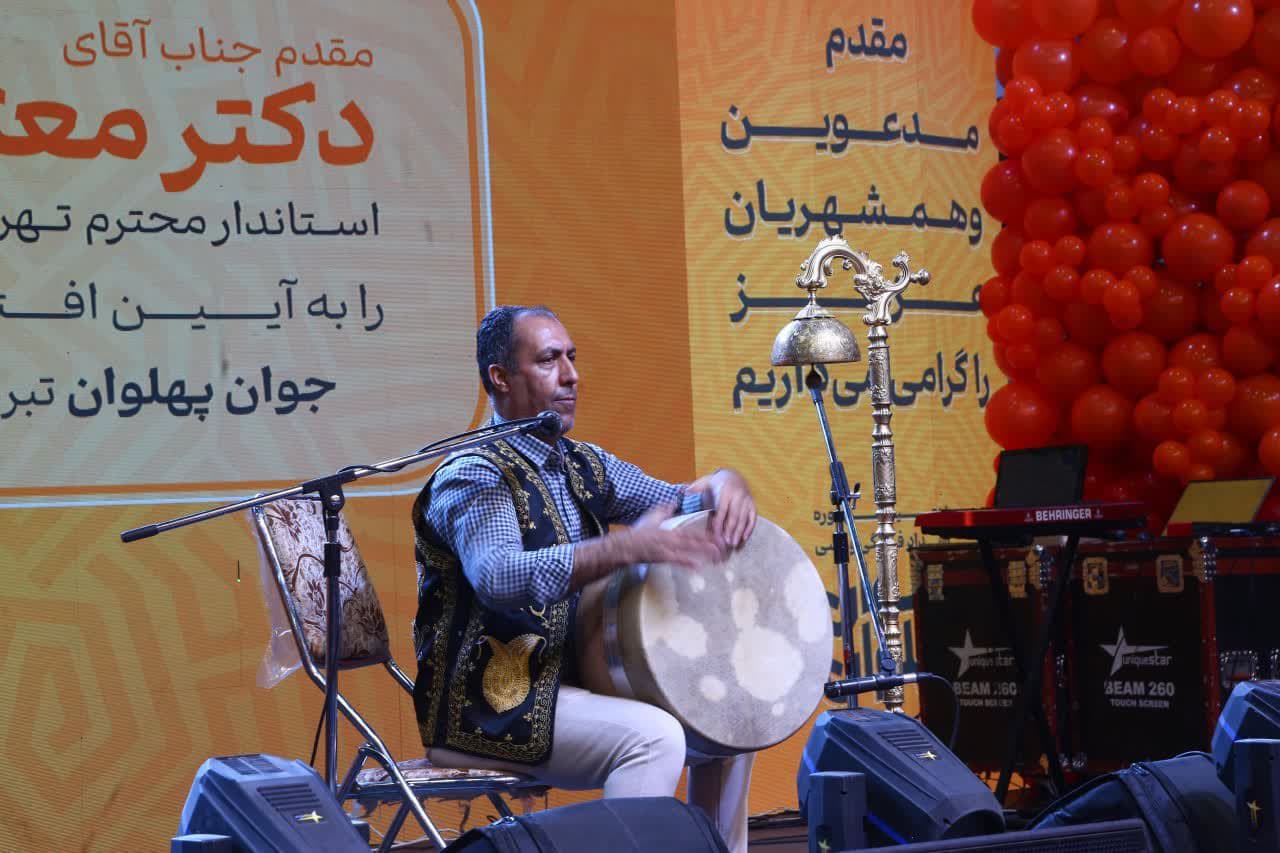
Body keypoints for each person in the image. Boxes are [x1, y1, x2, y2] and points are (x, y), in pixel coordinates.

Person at [412, 304, 758, 852]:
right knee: (653, 738)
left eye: (572, 357)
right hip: (487, 707)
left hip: (573, 687)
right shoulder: (475, 474)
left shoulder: (582, 463)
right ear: (500, 378)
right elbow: (497, 576)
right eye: (549, 360)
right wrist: (623, 547)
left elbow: (681, 500)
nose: (571, 375)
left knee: (729, 721)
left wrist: (725, 482)